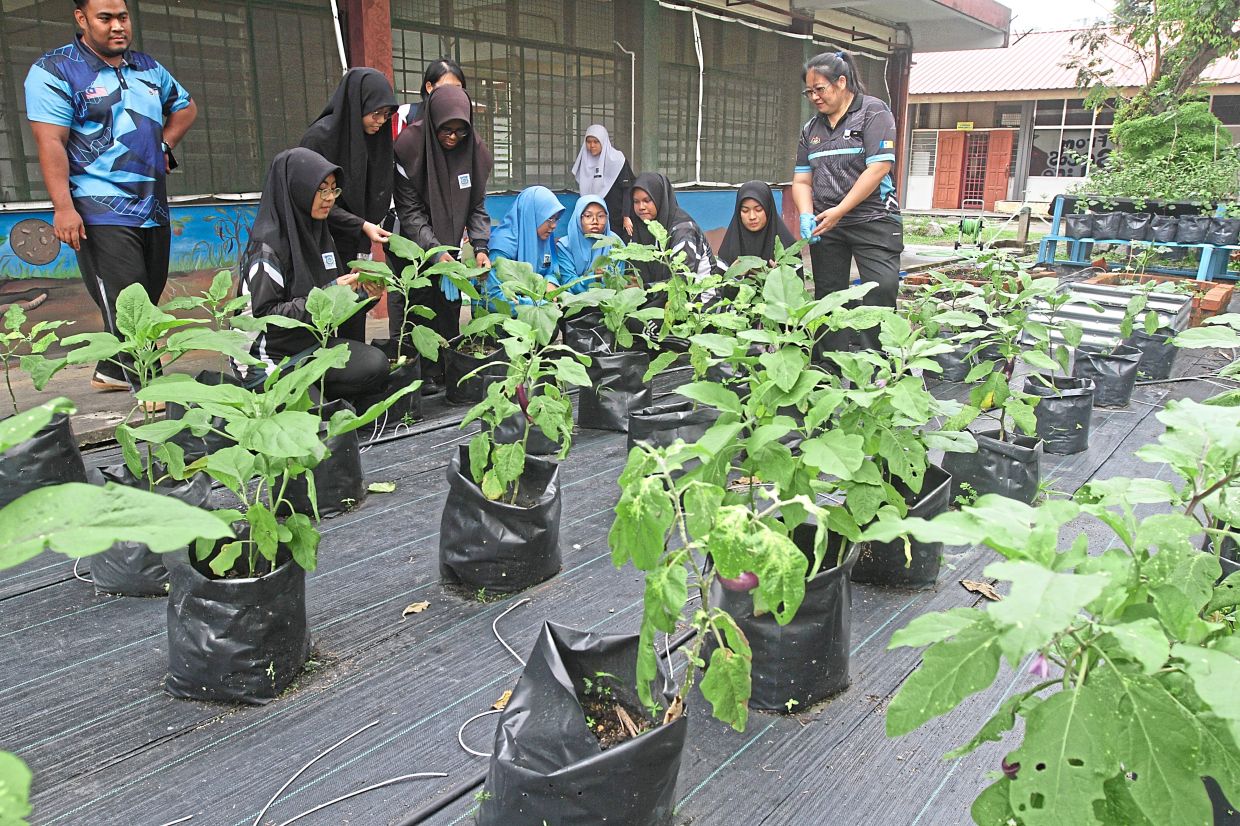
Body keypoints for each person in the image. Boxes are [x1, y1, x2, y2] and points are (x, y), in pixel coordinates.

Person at [25, 0, 197, 393]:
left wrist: (165, 145)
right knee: (128, 298)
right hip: (97, 205)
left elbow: (185, 107)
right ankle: (148, 386)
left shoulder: (148, 68)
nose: (117, 26)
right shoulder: (55, 70)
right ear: (82, 19)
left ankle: (113, 371)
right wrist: (63, 208)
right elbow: (50, 141)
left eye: (122, 17)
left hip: (152, 203)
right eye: (105, 18)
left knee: (147, 293)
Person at [237, 148, 387, 404]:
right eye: (321, 189)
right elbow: (268, 317)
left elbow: (335, 296)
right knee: (313, 424)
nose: (329, 198)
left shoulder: (319, 234)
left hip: (311, 347)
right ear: (298, 190)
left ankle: (318, 391)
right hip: (268, 359)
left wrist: (364, 295)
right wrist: (330, 294)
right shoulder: (268, 249)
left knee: (376, 365)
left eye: (333, 190)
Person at [791, 50, 902, 352]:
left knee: (881, 287)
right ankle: (827, 366)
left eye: (820, 89)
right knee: (829, 295)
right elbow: (802, 179)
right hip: (828, 223)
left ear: (841, 82)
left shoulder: (873, 112)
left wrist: (841, 209)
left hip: (874, 219)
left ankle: (872, 365)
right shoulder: (811, 129)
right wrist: (805, 213)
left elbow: (878, 167)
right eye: (809, 91)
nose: (814, 96)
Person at [392, 85, 493, 392]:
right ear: (433, 121)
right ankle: (417, 382)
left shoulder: (474, 151)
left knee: (448, 311)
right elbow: (410, 213)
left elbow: (476, 206)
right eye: (445, 131)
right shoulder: (409, 148)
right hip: (414, 249)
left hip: (449, 249)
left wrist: (480, 246)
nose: (452, 138)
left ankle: (443, 374)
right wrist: (433, 252)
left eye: (460, 132)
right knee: (418, 309)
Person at [299, 67, 396, 343]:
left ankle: (353, 372)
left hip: (357, 240)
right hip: (322, 241)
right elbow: (313, 201)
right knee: (325, 311)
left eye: (386, 115)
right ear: (356, 105)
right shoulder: (319, 139)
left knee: (355, 306)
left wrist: (365, 226)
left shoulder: (374, 139)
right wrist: (361, 224)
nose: (380, 121)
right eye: (375, 113)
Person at [481, 186, 564, 311]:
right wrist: (535, 303)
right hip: (503, 317)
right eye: (549, 219)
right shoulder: (502, 247)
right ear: (530, 214)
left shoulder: (542, 240)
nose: (553, 226)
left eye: (556, 219)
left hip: (531, 308)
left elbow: (548, 271)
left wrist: (550, 282)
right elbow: (494, 299)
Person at [628, 172, 717, 286]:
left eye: (647, 200)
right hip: (662, 298)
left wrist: (644, 288)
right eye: (636, 202)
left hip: (699, 298)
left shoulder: (683, 231)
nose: (641, 207)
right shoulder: (643, 229)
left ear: (659, 198)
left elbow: (681, 282)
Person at [718, 181, 799, 274]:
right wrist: (734, 275)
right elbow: (719, 286)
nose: (752, 216)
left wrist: (781, 277)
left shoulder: (787, 248)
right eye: (745, 211)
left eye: (758, 209)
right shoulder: (730, 248)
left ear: (768, 209)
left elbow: (797, 286)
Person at [571, 125, 634, 238]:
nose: (592, 146)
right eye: (589, 142)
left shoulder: (617, 161)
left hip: (616, 219)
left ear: (603, 142)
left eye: (596, 142)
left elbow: (627, 190)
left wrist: (626, 216)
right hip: (593, 220)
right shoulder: (584, 162)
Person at [556, 195, 623, 294]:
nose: (595, 221)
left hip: (610, 302)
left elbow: (619, 281)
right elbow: (567, 283)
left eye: (601, 216)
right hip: (575, 303)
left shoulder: (615, 242)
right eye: (588, 216)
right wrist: (593, 277)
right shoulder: (565, 246)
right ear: (578, 218)